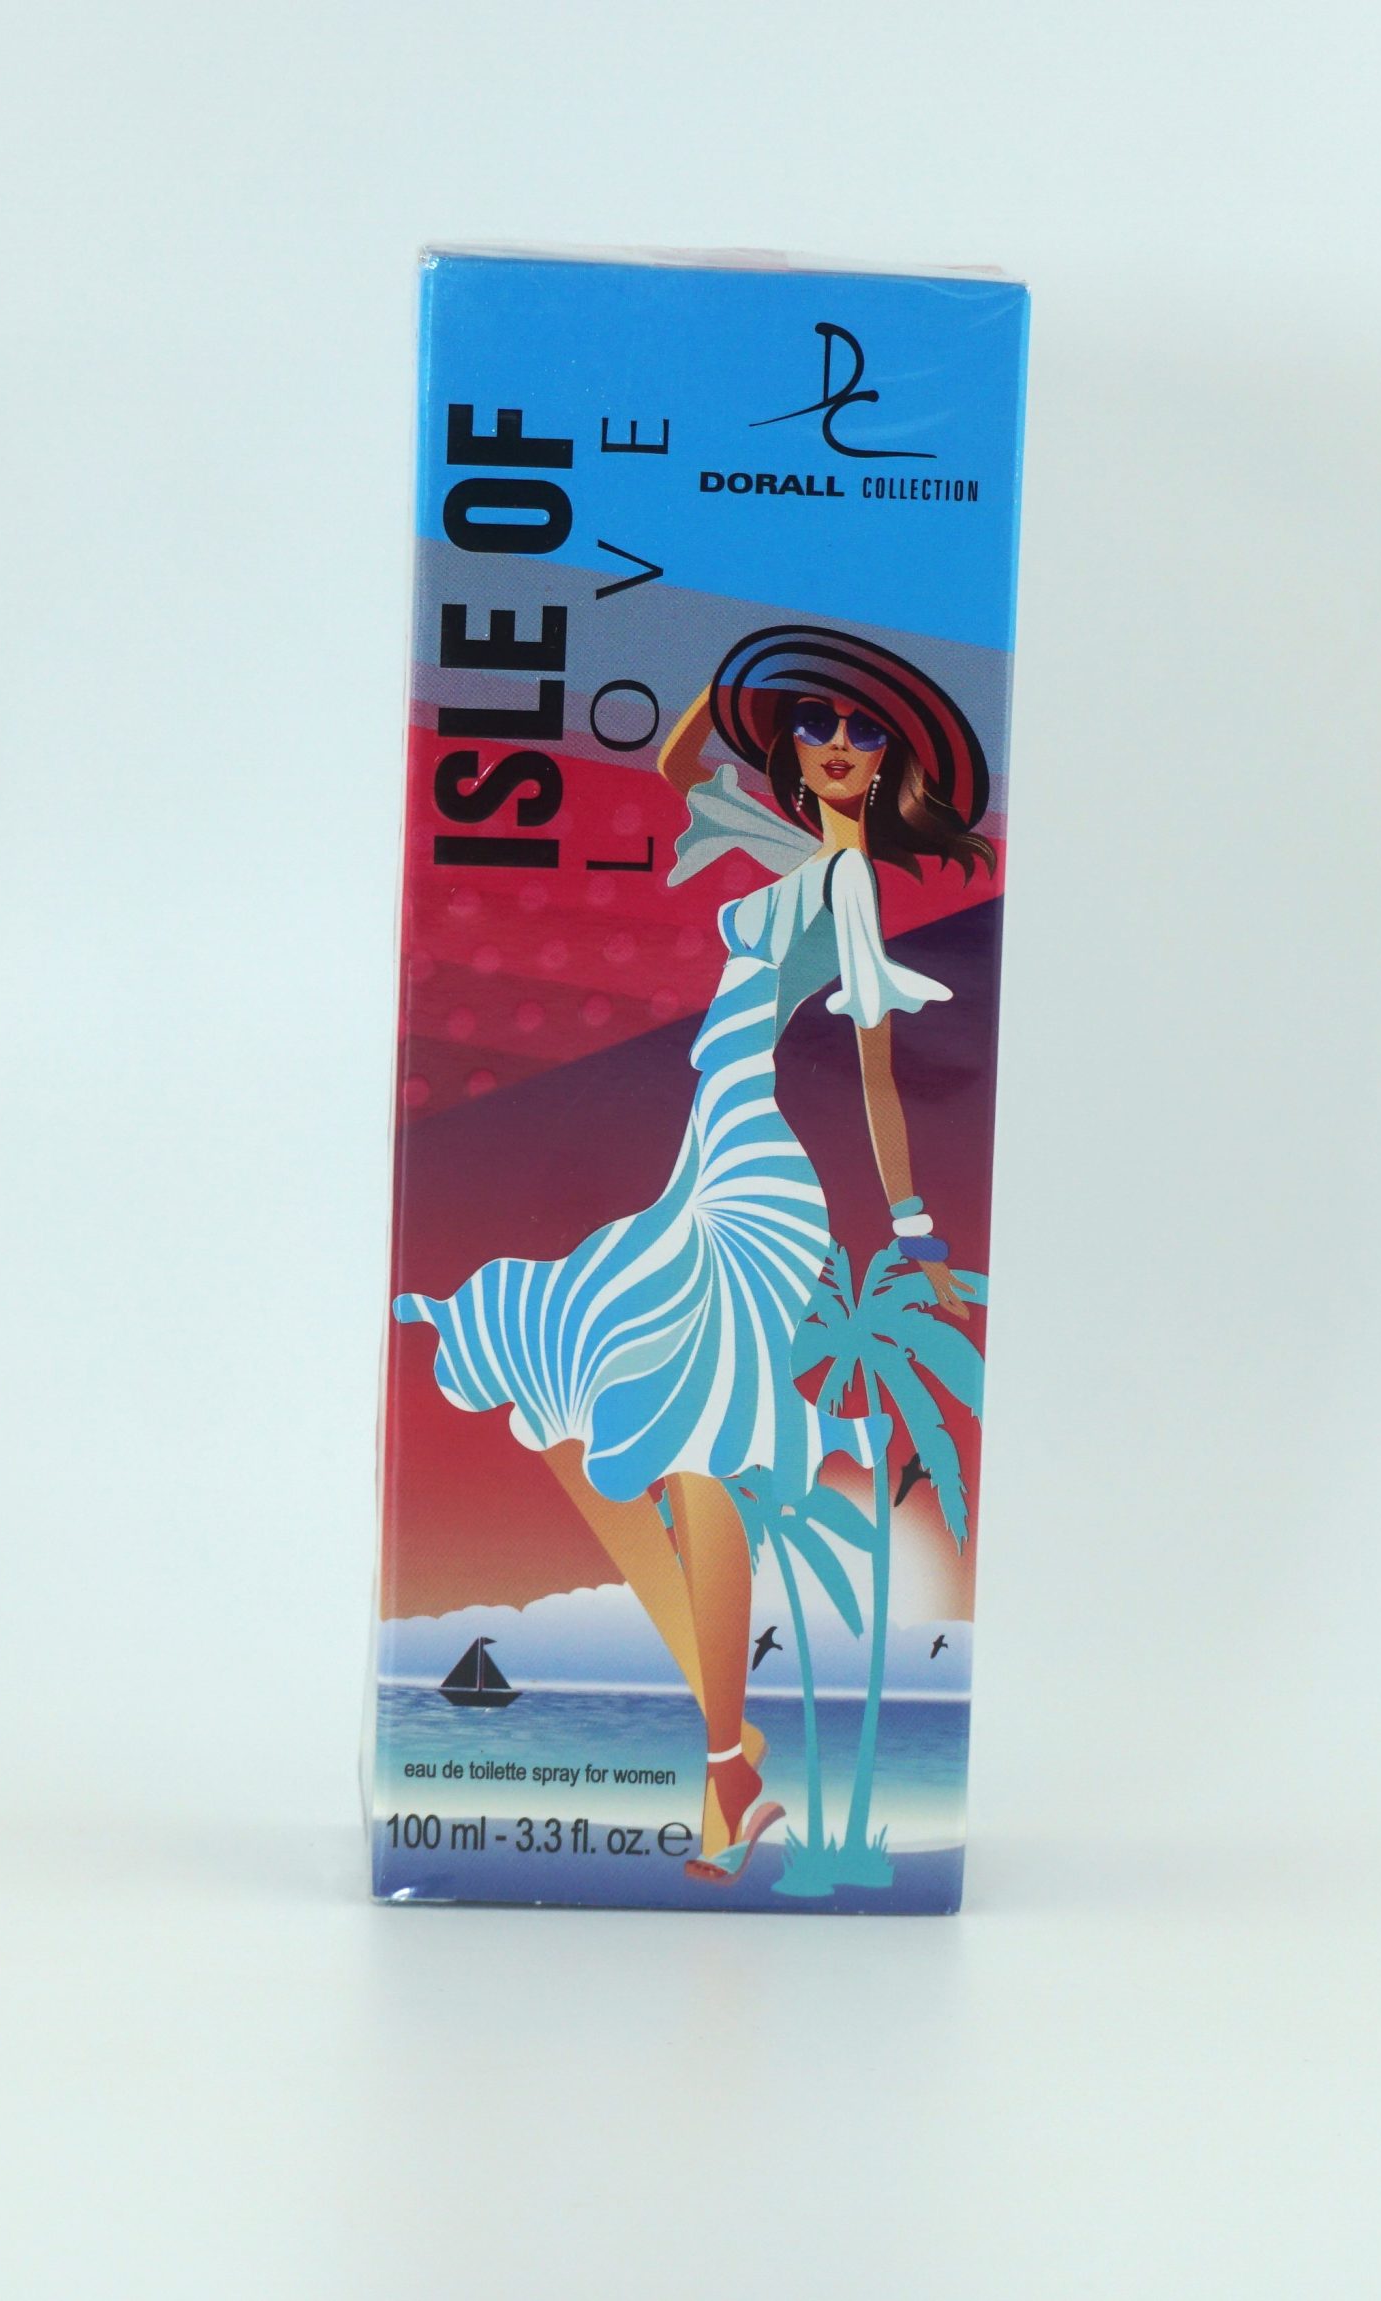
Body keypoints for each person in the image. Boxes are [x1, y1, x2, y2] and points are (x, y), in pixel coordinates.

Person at [394, 624, 993, 1881]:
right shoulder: (787, 852)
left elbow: (879, 1075)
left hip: (756, 1175)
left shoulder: (849, 886)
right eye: (818, 726)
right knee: (558, 1375)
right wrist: (738, 690)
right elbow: (678, 768)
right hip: (700, 1154)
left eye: (863, 730)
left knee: (704, 1445)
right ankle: (733, 1747)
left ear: (893, 762)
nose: (838, 745)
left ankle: (728, 1779)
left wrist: (916, 1229)